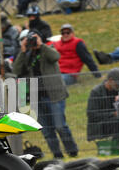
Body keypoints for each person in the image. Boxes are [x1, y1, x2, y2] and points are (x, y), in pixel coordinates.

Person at [13, 30, 78, 159]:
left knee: (60, 126)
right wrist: (24, 51)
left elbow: (55, 57)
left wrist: (41, 45)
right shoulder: (26, 54)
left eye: (33, 39)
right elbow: (16, 70)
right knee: (47, 130)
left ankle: (72, 151)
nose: (31, 42)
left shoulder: (48, 49)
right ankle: (57, 155)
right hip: (36, 97)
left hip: (54, 95)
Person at [86, 68, 119, 149]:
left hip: (116, 120)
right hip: (98, 125)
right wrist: (113, 114)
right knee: (118, 121)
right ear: (110, 80)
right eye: (118, 84)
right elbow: (91, 115)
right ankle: (117, 149)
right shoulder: (96, 92)